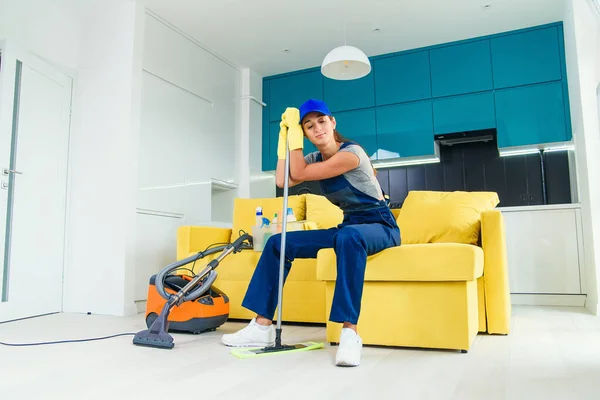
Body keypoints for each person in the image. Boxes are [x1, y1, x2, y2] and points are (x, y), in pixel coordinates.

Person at [221, 99, 401, 367]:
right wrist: (284, 141)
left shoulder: (352, 154)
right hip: (349, 226)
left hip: (381, 225)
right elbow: (283, 180)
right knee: (278, 242)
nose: (317, 129)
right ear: (305, 134)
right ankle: (261, 327)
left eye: (321, 121)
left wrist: (295, 140)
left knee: (348, 237)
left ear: (332, 122)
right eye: (308, 126)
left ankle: (350, 333)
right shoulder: (314, 158)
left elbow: (301, 173)